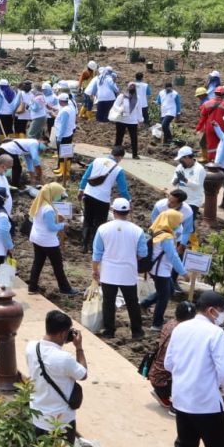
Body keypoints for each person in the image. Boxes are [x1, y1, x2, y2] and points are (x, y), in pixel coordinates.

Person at [164, 291, 224, 447]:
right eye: (222, 312)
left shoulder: (180, 328)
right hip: (205, 401)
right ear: (212, 311)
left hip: (180, 398)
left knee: (185, 446)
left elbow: (169, 364)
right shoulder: (215, 333)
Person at [25, 310, 87, 440]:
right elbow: (83, 374)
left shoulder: (31, 347)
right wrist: (79, 347)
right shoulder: (64, 358)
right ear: (63, 333)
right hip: (61, 421)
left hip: (37, 416)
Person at [92, 197, 148, 340]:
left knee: (108, 302)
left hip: (109, 272)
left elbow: (97, 253)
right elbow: (143, 253)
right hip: (128, 272)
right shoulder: (138, 230)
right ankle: (137, 331)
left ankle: (109, 330)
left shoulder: (103, 228)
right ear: (128, 212)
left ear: (113, 210)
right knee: (132, 302)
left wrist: (95, 269)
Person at [143, 209, 190, 329]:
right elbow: (173, 256)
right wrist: (183, 273)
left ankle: (144, 304)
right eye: (178, 222)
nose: (179, 225)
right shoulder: (166, 237)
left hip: (158, 269)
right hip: (161, 271)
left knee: (169, 290)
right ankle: (156, 324)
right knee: (164, 297)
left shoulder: (157, 230)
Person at [26, 183, 76, 295]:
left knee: (38, 263)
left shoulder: (39, 203)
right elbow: (51, 227)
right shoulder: (48, 209)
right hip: (47, 241)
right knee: (58, 265)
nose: (60, 197)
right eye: (59, 194)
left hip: (36, 238)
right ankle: (65, 288)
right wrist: (63, 225)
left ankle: (32, 287)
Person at [79, 146, 130, 252]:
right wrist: (128, 201)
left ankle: (83, 245)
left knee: (87, 219)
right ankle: (93, 247)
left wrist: (81, 189)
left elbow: (86, 176)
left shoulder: (97, 160)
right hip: (102, 199)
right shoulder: (118, 170)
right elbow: (123, 190)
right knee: (99, 223)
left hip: (88, 194)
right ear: (120, 157)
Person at [149, 301, 197, 409]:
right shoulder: (183, 331)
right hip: (164, 381)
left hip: (155, 374)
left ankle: (164, 396)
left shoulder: (170, 324)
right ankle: (176, 406)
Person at [197, 86, 224, 161]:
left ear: (215, 94)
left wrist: (199, 127)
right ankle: (222, 160)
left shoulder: (207, 103)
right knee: (222, 145)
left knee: (211, 145)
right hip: (222, 128)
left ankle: (211, 161)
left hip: (210, 127)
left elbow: (203, 117)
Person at [112, 82, 145, 159]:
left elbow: (139, 109)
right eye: (131, 86)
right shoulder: (122, 96)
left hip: (132, 121)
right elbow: (115, 105)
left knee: (134, 138)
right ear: (128, 87)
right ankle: (116, 153)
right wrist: (120, 109)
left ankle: (135, 154)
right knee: (119, 137)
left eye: (133, 87)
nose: (132, 88)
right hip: (121, 120)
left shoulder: (138, 98)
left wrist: (140, 119)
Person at [173, 146, 207, 220]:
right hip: (180, 200)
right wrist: (176, 180)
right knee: (176, 222)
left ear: (187, 157)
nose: (180, 162)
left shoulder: (199, 169)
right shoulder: (180, 166)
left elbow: (197, 187)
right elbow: (174, 183)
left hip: (193, 201)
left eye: (181, 160)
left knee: (188, 224)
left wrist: (185, 180)